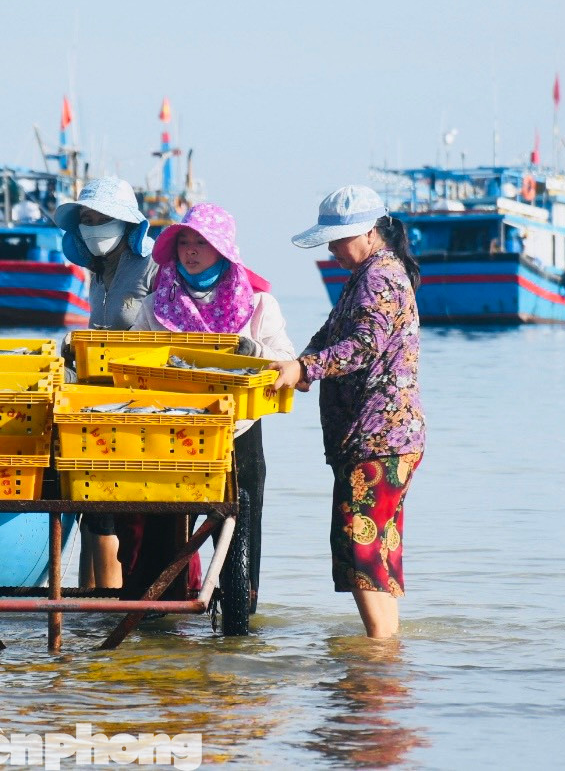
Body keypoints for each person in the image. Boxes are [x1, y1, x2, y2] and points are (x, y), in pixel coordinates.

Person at [129, 203, 297, 617]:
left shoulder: (259, 304)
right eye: (184, 242)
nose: (190, 251)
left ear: (222, 249)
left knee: (241, 527)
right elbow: (132, 359)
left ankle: (241, 616)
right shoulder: (156, 305)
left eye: (201, 243)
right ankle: (155, 618)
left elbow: (286, 360)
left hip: (239, 430)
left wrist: (256, 353)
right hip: (171, 431)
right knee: (163, 528)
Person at [273, 185, 425, 639]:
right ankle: (386, 648)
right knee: (376, 546)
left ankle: (378, 653)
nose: (332, 249)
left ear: (370, 233)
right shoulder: (368, 274)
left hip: (379, 438)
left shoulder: (379, 277)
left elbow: (362, 346)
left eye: (338, 239)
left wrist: (305, 368)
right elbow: (331, 333)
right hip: (384, 438)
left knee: (360, 545)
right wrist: (303, 361)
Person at [53, 176, 156, 591]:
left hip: (138, 402)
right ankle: (89, 600)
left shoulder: (152, 265)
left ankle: (110, 606)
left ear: (127, 223)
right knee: (91, 505)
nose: (95, 228)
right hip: (95, 399)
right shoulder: (96, 271)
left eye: (103, 219)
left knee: (110, 509)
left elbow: (165, 331)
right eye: (88, 219)